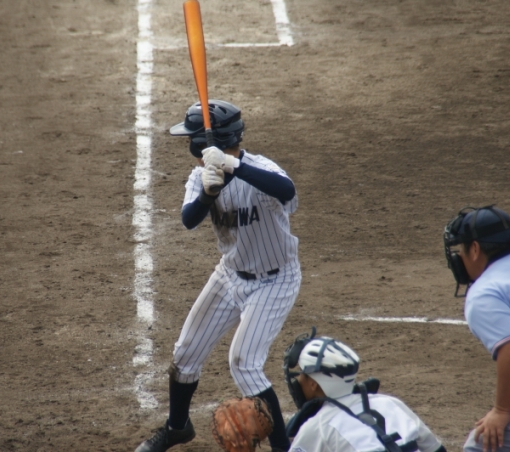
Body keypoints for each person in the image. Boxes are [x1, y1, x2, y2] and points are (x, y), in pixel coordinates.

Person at [135, 99, 301, 452]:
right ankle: (177, 427)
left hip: (275, 281)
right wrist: (209, 195)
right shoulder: (200, 176)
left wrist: (234, 167)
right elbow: (189, 220)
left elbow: (287, 191)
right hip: (230, 275)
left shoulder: (261, 169)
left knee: (244, 364)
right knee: (185, 353)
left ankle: (283, 449)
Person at [443, 205, 510, 452]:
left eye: (461, 249)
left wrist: (501, 411)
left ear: (475, 249)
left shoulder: (485, 292)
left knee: (482, 445)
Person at [283, 327, 446, 452]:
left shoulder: (317, 427)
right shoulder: (391, 403)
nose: (298, 379)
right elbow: (436, 449)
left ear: (313, 384)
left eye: (302, 373)